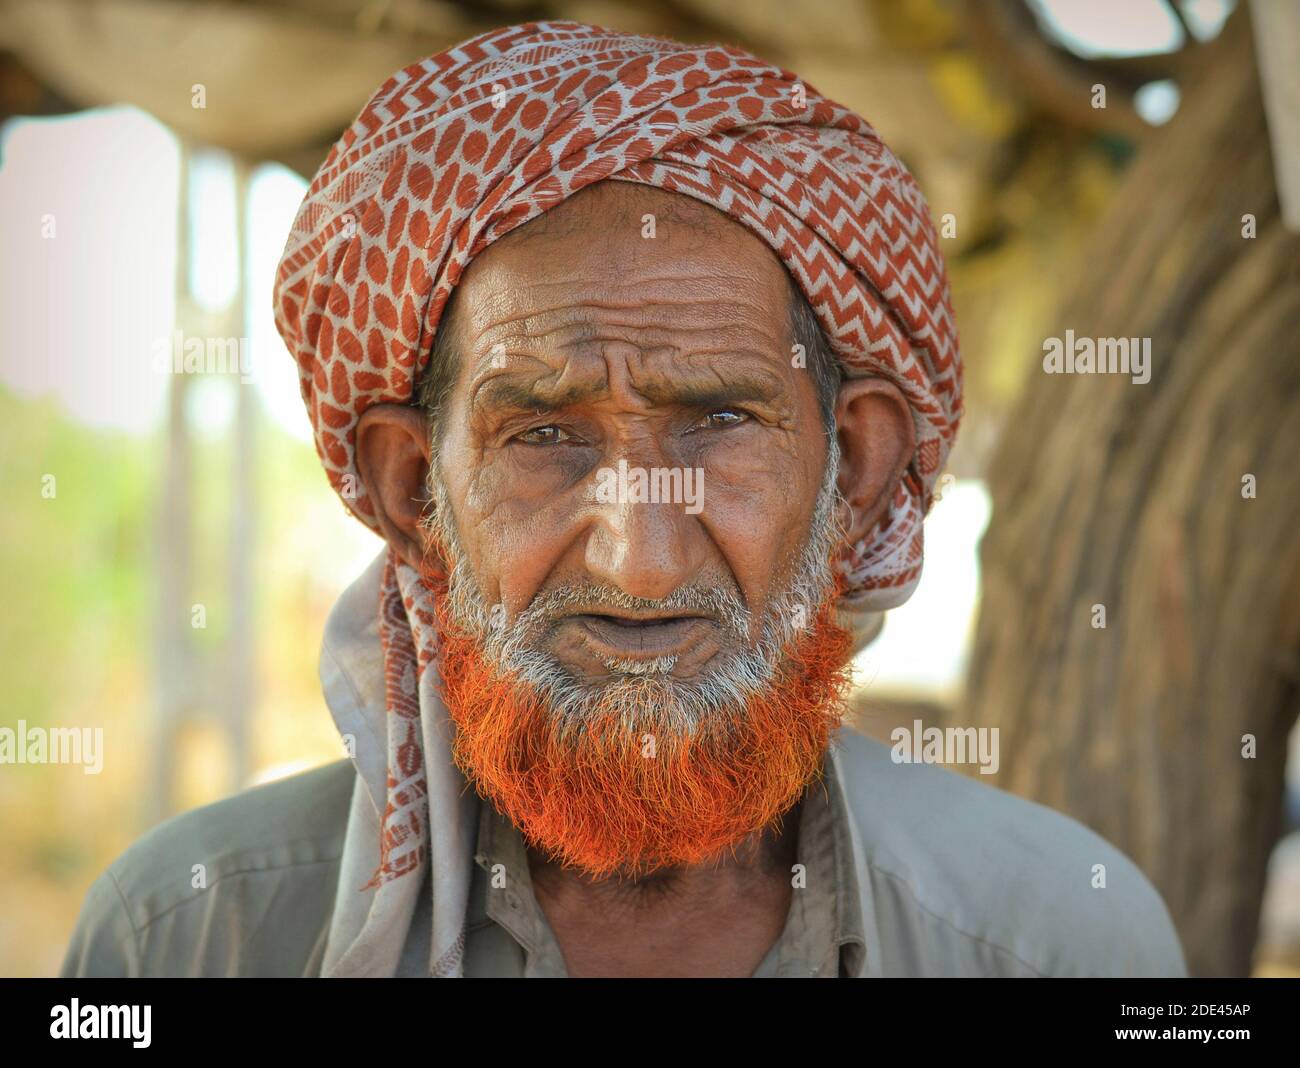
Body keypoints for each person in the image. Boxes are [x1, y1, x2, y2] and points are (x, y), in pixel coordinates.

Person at [61, 20, 1186, 978]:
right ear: (413, 489)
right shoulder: (189, 934)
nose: (638, 561)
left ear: (855, 467)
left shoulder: (1058, 941)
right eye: (542, 435)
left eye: (720, 422)